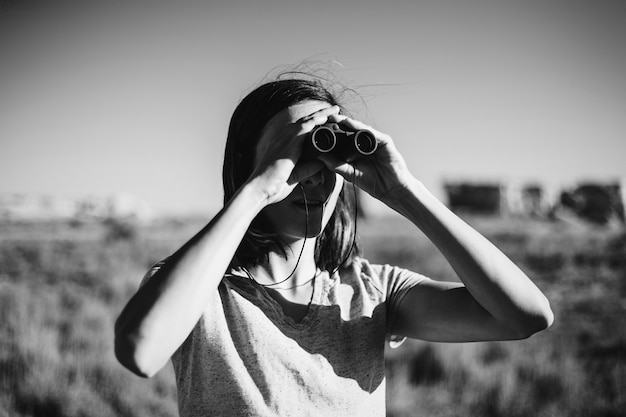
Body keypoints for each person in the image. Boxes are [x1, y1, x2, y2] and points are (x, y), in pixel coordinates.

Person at [114, 77, 553, 416]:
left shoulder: (372, 292)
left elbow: (525, 317)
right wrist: (258, 190)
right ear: (249, 167)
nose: (313, 175)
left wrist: (404, 191)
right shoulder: (203, 294)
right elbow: (141, 349)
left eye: (325, 154)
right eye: (295, 155)